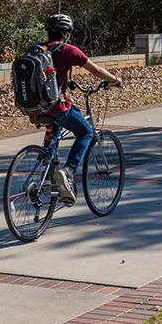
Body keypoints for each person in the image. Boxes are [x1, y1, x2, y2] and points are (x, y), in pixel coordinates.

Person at [41, 13, 121, 204]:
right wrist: (115, 79)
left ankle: (46, 170)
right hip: (56, 106)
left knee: (54, 133)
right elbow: (96, 70)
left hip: (35, 107)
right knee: (86, 132)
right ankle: (68, 173)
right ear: (66, 33)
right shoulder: (68, 50)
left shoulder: (37, 49)